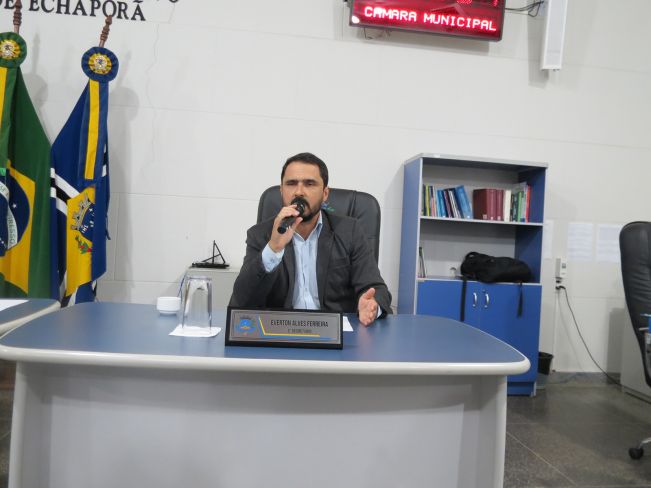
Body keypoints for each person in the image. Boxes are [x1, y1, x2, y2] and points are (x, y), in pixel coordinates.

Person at [229, 152, 391, 326]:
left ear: (325, 193)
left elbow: (376, 288)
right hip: (281, 330)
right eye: (291, 183)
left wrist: (372, 305)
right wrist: (273, 248)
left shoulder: (350, 231)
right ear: (281, 191)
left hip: (335, 332)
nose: (299, 192)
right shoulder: (261, 235)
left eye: (309, 183)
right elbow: (241, 302)